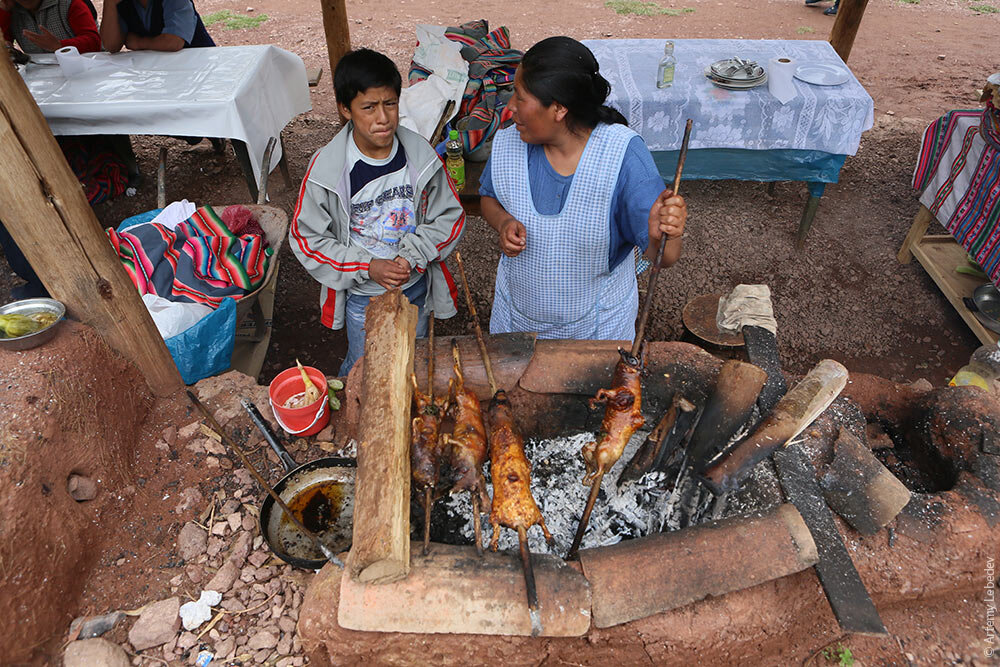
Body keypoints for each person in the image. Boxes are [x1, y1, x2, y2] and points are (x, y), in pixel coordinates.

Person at [479, 36, 688, 342]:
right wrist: (503, 222)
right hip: (517, 323)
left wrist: (668, 234)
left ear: (559, 109)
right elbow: (488, 198)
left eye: (520, 97)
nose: (509, 107)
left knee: (600, 392)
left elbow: (663, 257)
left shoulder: (622, 157)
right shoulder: (509, 144)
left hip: (596, 331)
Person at [290, 48, 465, 375]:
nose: (382, 118)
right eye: (368, 107)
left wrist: (412, 256)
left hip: (416, 285)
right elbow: (306, 238)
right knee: (367, 368)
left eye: (390, 104)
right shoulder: (329, 170)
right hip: (362, 295)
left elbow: (449, 217)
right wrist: (367, 266)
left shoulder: (419, 156)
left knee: (411, 359)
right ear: (345, 109)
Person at [100, 0, 214, 52]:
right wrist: (110, 3)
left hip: (197, 65)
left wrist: (139, 43)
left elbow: (174, 42)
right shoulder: (122, 3)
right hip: (154, 75)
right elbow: (111, 46)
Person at [0, 0, 100, 54]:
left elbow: (94, 42)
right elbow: (4, 42)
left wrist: (59, 45)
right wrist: (4, 12)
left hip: (87, 71)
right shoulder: (12, 11)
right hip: (42, 80)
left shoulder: (69, 3)